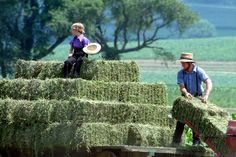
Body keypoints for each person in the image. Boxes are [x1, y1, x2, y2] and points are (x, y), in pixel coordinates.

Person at [172, 52, 213, 146]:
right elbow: (181, 86)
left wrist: (206, 95)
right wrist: (186, 93)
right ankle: (175, 143)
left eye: (184, 63)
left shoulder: (199, 71)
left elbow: (208, 82)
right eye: (181, 63)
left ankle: (196, 145)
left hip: (198, 98)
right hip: (186, 98)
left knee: (196, 122)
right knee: (180, 121)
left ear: (189, 63)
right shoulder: (180, 73)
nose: (182, 65)